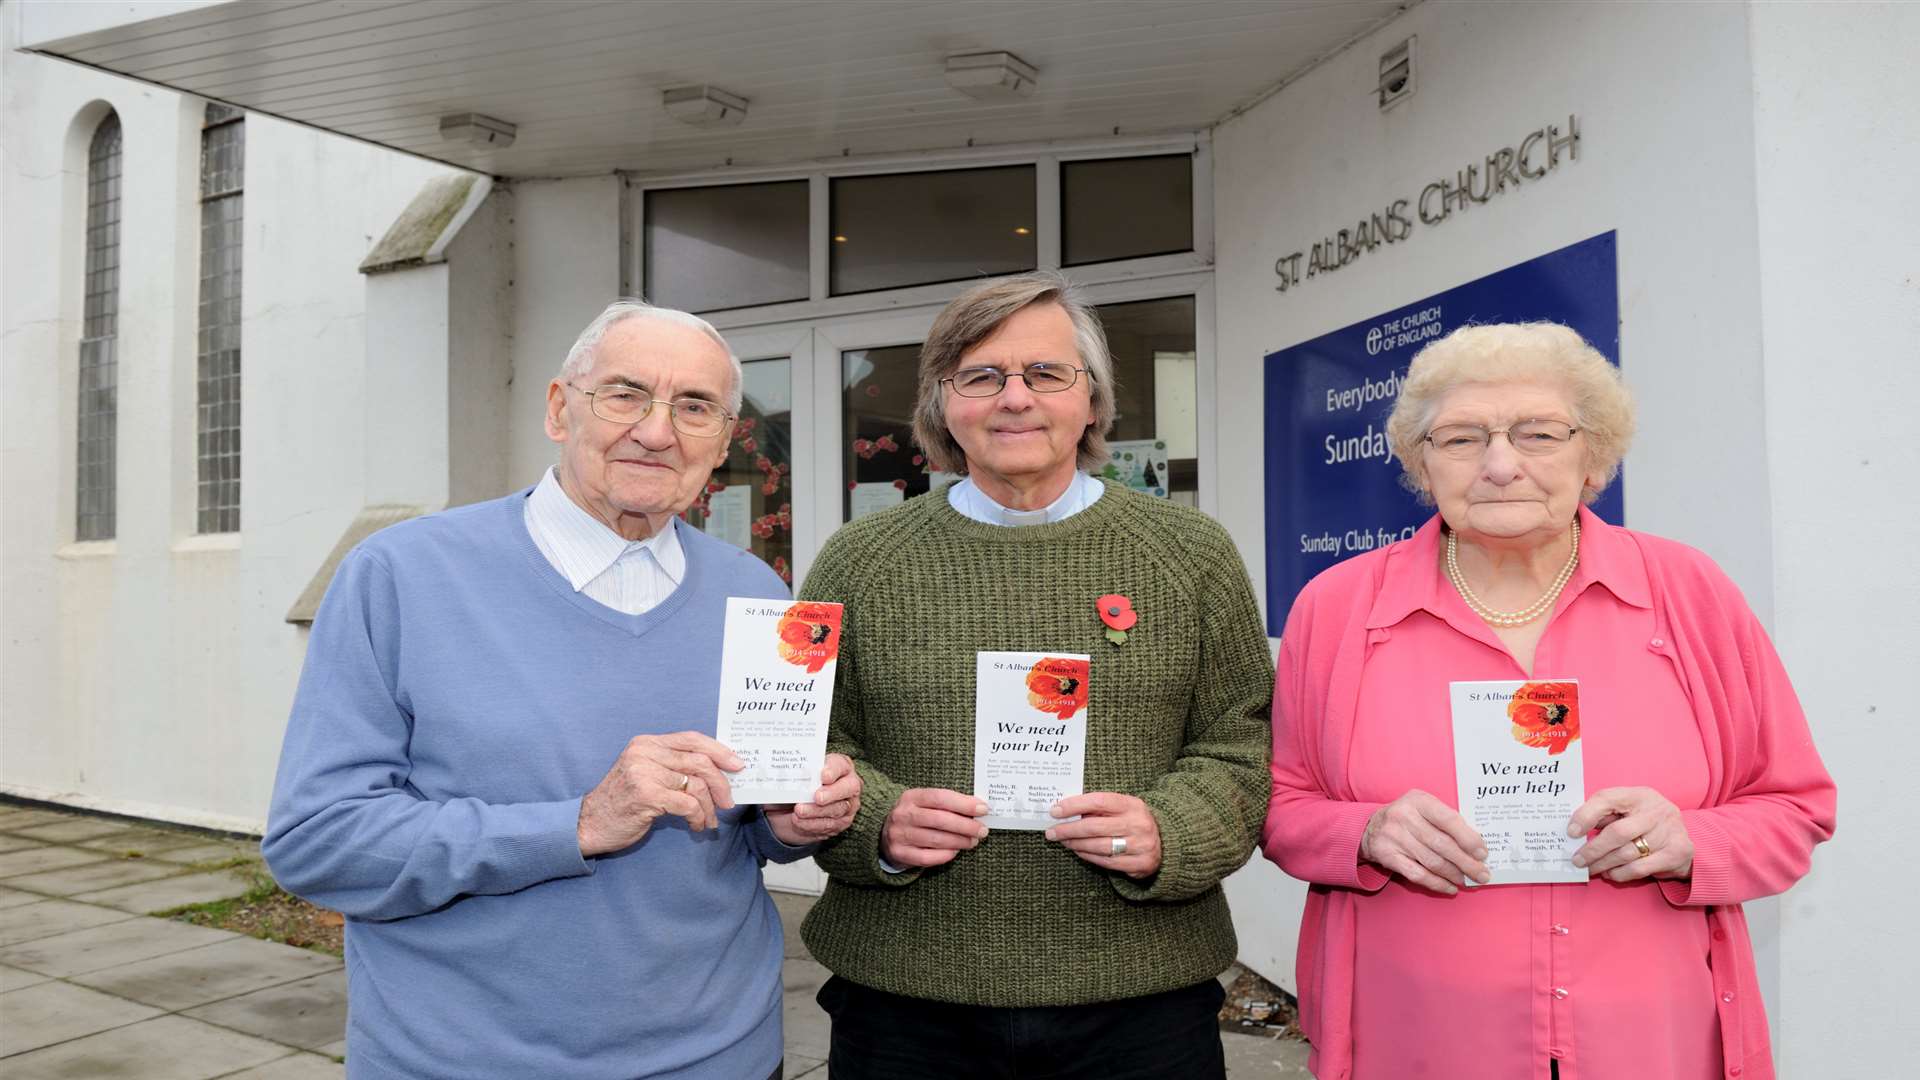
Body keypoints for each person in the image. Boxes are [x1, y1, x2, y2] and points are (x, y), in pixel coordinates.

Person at [263, 300, 861, 1080]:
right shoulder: (402, 575)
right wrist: (577, 823)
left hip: (724, 1056)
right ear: (558, 408)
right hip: (465, 1063)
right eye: (625, 393)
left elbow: (743, 831)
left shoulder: (754, 592)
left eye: (695, 407)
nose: (657, 430)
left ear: (722, 442)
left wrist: (789, 822)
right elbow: (319, 844)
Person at [1262, 322, 1836, 1080]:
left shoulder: (1690, 594)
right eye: (1462, 438)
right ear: (1421, 463)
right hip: (1418, 1044)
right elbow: (1278, 803)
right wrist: (1364, 832)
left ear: (1592, 454)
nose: (1501, 465)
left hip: (1650, 1045)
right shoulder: (1337, 608)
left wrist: (1695, 840)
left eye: (1538, 433)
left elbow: (1796, 807)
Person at [796, 272, 1274, 1078]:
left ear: (1092, 401)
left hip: (1140, 1006)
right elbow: (809, 739)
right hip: (907, 1007)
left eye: (1045, 374)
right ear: (943, 406)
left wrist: (1173, 832)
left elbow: (1242, 739)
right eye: (981, 377)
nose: (1014, 398)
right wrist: (876, 820)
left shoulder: (1191, 554)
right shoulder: (860, 560)